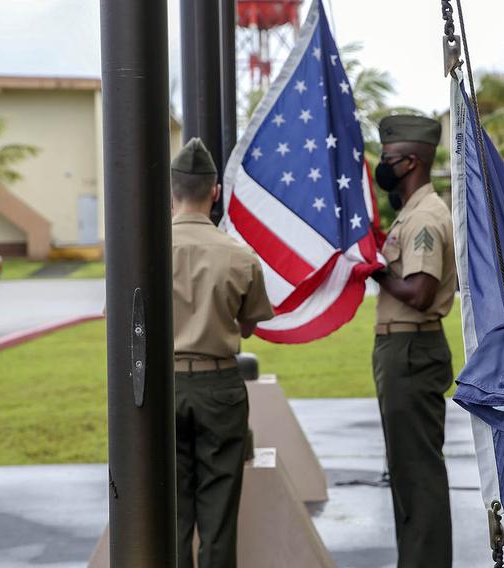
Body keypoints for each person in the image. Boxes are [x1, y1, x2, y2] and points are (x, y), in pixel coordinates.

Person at [170, 138, 274, 568]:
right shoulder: (239, 254)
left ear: (171, 190)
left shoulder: (141, 251)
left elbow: (119, 321)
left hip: (164, 386)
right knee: (219, 513)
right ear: (215, 192)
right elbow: (249, 324)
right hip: (219, 385)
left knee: (170, 510)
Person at [370, 115, 456, 568]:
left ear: (409, 162)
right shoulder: (413, 211)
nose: (382, 166)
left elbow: (420, 293)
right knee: (407, 473)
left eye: (386, 159)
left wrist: (372, 267)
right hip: (403, 349)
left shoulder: (424, 217)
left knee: (417, 476)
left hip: (410, 349)